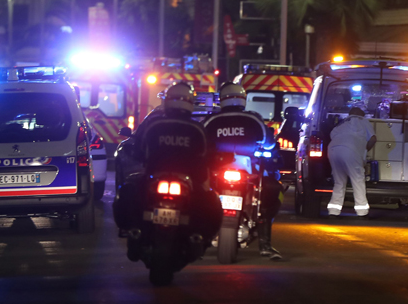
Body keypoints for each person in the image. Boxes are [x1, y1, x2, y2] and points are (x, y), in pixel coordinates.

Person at [113, 82, 222, 260]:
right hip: (188, 181)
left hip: (153, 177)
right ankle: (200, 236)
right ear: (190, 102)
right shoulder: (197, 129)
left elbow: (139, 150)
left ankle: (132, 231)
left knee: (128, 192)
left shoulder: (154, 125)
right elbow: (207, 155)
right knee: (211, 202)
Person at [203, 82, 284, 260]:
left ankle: (199, 240)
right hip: (248, 170)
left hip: (217, 171)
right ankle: (265, 245)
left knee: (201, 193)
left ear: (222, 99)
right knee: (271, 193)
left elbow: (200, 143)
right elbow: (268, 143)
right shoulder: (253, 118)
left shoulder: (211, 120)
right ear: (243, 99)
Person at [327, 107, 377, 218]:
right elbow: (373, 138)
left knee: (339, 180)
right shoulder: (363, 121)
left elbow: (332, 135)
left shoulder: (342, 122)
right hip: (350, 150)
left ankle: (333, 210)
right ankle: (362, 211)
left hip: (333, 149)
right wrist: (364, 150)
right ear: (361, 114)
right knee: (357, 179)